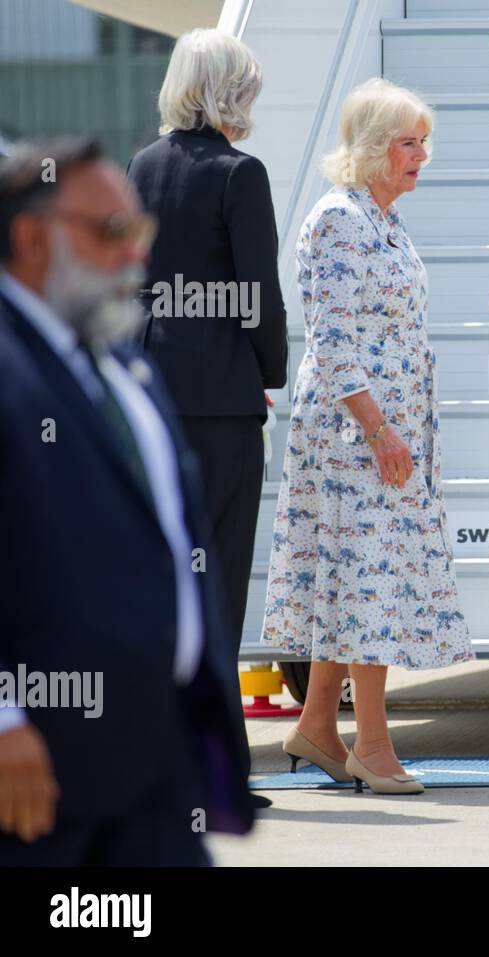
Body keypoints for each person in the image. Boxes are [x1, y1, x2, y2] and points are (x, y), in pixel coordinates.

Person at [0, 138, 253, 864]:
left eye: (140, 231)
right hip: (38, 781)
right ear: (29, 236)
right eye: (110, 232)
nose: (134, 254)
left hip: (153, 775)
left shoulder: (124, 363)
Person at [260, 78, 472, 796]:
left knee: (352, 580)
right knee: (368, 583)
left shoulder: (382, 219)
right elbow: (335, 341)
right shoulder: (337, 220)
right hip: (353, 436)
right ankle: (372, 743)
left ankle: (317, 725)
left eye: (423, 141)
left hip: (385, 430)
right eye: (409, 142)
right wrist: (380, 429)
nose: (421, 155)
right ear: (376, 148)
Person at [127, 26, 288, 812]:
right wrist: (272, 371)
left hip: (157, 393)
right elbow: (258, 294)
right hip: (223, 401)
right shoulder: (240, 173)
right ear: (231, 90)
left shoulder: (142, 165)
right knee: (219, 582)